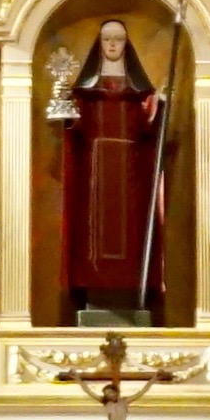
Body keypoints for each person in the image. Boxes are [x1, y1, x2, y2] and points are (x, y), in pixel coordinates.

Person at [51, 16, 170, 320]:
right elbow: (74, 124)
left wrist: (159, 103)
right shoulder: (86, 90)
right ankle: (94, 291)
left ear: (126, 44)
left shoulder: (138, 90)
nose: (113, 45)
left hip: (132, 172)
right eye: (107, 39)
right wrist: (65, 104)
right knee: (94, 233)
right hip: (95, 172)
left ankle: (133, 292)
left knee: (132, 232)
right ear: (100, 44)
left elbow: (148, 123)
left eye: (118, 39)